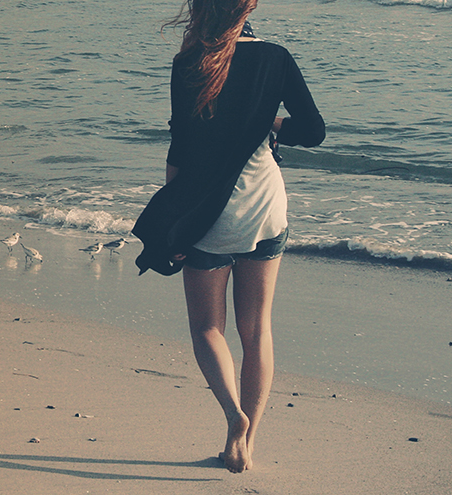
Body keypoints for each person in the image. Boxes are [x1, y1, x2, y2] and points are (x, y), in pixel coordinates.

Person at [131, 2, 325, 473]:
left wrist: (172, 219)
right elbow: (314, 131)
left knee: (207, 328)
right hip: (264, 211)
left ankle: (232, 416)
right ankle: (245, 444)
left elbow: (180, 145)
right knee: (256, 330)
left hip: (207, 215)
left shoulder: (188, 63)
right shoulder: (276, 57)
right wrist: (273, 124)